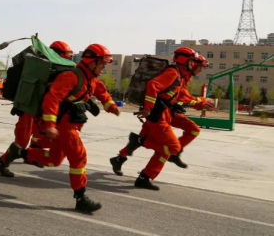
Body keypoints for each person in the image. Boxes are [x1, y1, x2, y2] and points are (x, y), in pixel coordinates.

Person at [110, 49, 215, 190]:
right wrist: (148, 108)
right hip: (159, 113)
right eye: (196, 64)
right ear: (187, 62)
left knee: (190, 132)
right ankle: (145, 156)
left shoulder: (181, 77)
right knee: (170, 148)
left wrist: (201, 102)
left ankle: (123, 159)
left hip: (166, 112)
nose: (199, 69)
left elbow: (183, 97)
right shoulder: (174, 73)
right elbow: (153, 85)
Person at [33, 44, 120, 212]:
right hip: (64, 125)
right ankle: (81, 197)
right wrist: (50, 125)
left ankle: (21, 153)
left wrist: (112, 106)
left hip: (70, 124)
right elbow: (52, 99)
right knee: (79, 156)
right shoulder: (71, 77)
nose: (104, 67)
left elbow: (102, 92)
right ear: (91, 62)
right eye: (102, 63)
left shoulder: (91, 79)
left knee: (54, 159)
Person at [0, 40, 74, 177]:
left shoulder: (56, 69)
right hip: (29, 109)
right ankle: (2, 163)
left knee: (41, 136)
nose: (67, 58)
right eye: (65, 55)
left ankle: (31, 156)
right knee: (22, 140)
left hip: (38, 111)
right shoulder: (43, 68)